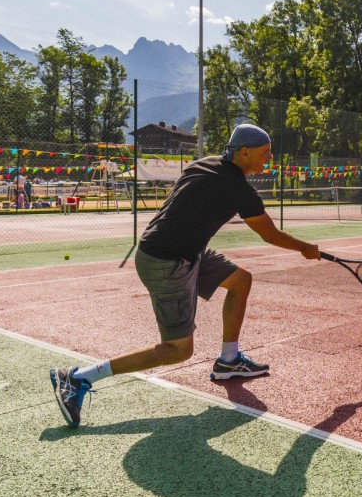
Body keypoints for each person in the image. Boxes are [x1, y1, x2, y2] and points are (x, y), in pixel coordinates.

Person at [49, 124, 322, 428]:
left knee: (240, 280)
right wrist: (305, 248)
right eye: (265, 152)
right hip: (166, 261)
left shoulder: (202, 164)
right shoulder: (238, 189)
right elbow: (269, 234)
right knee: (178, 349)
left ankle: (228, 361)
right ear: (244, 151)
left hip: (184, 251)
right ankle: (77, 378)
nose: (269, 158)